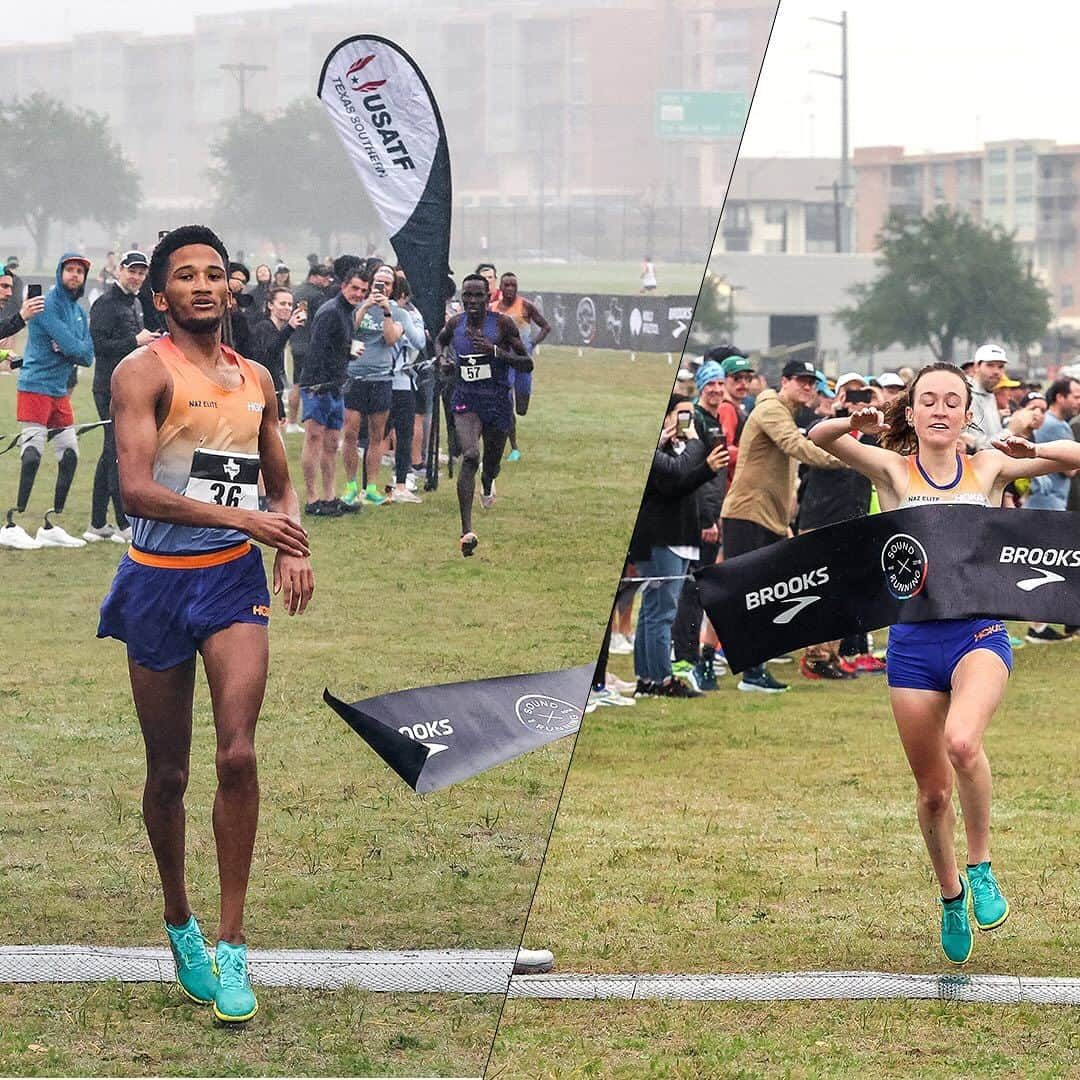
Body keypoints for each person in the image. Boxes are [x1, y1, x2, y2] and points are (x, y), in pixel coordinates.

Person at [98, 224, 314, 1023]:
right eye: (183, 275)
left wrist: (287, 540)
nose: (200, 284)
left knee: (238, 753)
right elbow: (136, 491)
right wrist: (255, 520)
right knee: (169, 776)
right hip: (156, 582)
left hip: (230, 580)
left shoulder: (255, 375)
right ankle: (180, 921)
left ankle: (232, 947)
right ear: (160, 295)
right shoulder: (140, 372)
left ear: (231, 290)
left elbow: (281, 484)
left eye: (213, 274)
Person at [808, 360, 1071, 965]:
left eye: (953, 401)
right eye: (929, 400)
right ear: (913, 408)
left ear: (966, 412)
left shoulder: (991, 466)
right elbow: (817, 441)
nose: (940, 410)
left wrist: (1034, 445)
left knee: (963, 743)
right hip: (913, 647)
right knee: (931, 795)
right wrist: (854, 419)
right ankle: (951, 894)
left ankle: (980, 866)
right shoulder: (893, 468)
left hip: (978, 633)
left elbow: (1073, 459)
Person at [720, 358, 845, 692]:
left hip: (767, 518)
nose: (809, 387)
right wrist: (849, 459)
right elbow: (797, 446)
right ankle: (732, 668)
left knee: (752, 595)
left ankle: (750, 669)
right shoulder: (772, 409)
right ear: (784, 381)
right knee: (741, 595)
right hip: (748, 513)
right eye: (802, 381)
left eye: (812, 382)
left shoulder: (785, 413)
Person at [628, 395, 727, 698]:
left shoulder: (679, 448)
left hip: (679, 536)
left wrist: (706, 464)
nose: (689, 421)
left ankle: (648, 678)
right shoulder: (663, 450)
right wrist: (701, 455)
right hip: (662, 538)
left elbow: (684, 483)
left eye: (691, 415)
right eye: (682, 414)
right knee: (661, 611)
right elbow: (676, 477)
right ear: (667, 416)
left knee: (653, 610)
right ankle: (660, 679)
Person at [0, 253, 95, 550]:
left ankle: (50, 524)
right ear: (59, 272)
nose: (75, 275)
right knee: (31, 454)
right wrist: (72, 349)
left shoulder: (78, 310)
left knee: (70, 455)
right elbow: (73, 346)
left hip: (58, 390)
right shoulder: (46, 304)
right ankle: (12, 523)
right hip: (35, 386)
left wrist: (72, 349)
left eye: (79, 271)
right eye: (70, 269)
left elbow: (87, 355)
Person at [435, 273, 531, 556]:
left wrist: (497, 352)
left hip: (497, 402)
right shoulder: (456, 323)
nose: (473, 301)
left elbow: (527, 363)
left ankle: (488, 483)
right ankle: (466, 531)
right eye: (468, 296)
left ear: (489, 298)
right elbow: (440, 342)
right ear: (462, 298)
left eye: (478, 296)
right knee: (470, 456)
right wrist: (444, 360)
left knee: (490, 464)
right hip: (466, 400)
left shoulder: (501, 324)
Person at [86, 250, 161, 543]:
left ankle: (96, 523)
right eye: (133, 271)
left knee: (110, 453)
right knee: (118, 454)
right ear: (120, 270)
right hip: (108, 387)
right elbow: (99, 346)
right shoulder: (105, 303)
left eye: (142, 273)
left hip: (129, 386)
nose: (137, 277)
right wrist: (135, 341)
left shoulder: (135, 302)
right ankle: (122, 523)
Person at [341, 264, 423, 507]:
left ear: (393, 288)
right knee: (351, 434)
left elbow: (390, 338)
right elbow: (349, 330)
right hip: (355, 377)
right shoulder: (357, 305)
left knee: (377, 436)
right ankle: (350, 485)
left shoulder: (399, 313)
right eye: (378, 282)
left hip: (382, 379)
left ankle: (372, 487)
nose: (382, 288)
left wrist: (386, 312)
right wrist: (366, 305)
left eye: (387, 284)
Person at [300, 267, 368, 516]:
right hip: (318, 386)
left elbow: (337, 346)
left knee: (331, 443)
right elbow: (316, 350)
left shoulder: (348, 312)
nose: (358, 294)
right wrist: (317, 386)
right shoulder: (330, 311)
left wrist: (347, 350)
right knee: (314, 439)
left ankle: (329, 496)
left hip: (336, 386)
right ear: (343, 286)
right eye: (354, 288)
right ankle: (312, 498)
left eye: (363, 290)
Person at [1019, 376, 1080, 642]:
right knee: (1052, 565)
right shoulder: (1058, 428)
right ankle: (1044, 625)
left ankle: (1045, 625)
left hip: (1041, 502)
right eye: (1075, 396)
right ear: (1060, 397)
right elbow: (1069, 470)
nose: (1079, 401)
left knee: (1044, 564)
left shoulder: (1049, 424)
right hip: (1050, 502)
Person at [490, 271, 550, 462]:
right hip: (504, 362)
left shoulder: (525, 306)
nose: (509, 289)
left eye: (513, 285)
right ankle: (514, 447)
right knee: (507, 404)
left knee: (521, 408)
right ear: (501, 287)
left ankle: (515, 419)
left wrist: (532, 343)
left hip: (523, 361)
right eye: (506, 285)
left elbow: (546, 327)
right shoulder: (493, 308)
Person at [286, 265, 333, 433]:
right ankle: (311, 422)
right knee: (312, 385)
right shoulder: (318, 296)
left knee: (297, 383)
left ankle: (291, 422)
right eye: (324, 276)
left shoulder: (297, 291)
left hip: (296, 341)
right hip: (311, 345)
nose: (327, 280)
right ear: (313, 276)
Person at [250, 286, 306, 424]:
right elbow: (270, 354)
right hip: (260, 392)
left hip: (274, 390)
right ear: (270, 305)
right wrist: (290, 328)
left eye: (290, 304)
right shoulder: (264, 327)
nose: (287, 308)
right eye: (282, 303)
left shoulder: (277, 330)